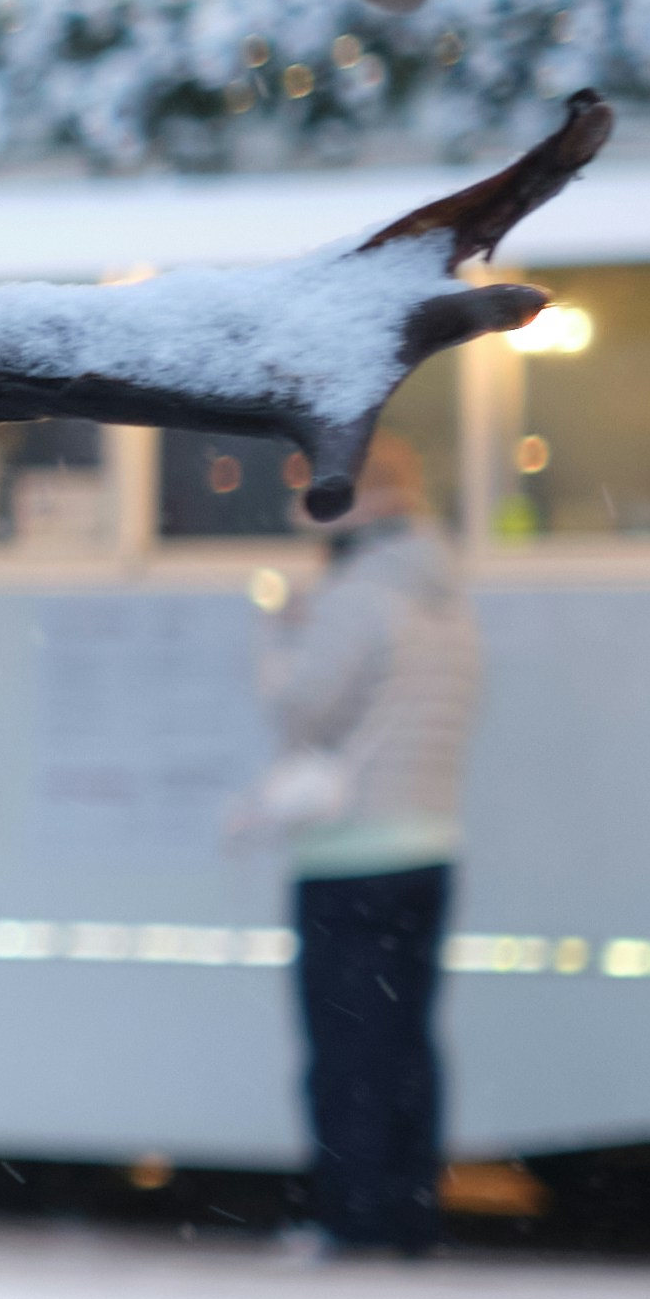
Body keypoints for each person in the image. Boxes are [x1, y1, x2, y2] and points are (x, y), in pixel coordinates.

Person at [249, 423, 480, 1255]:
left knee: (343, 1047)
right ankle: (408, 1211)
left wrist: (278, 630)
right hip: (429, 843)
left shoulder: (355, 597)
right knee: (408, 1043)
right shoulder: (443, 594)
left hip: (349, 854)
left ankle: (351, 1217)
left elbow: (299, 711)